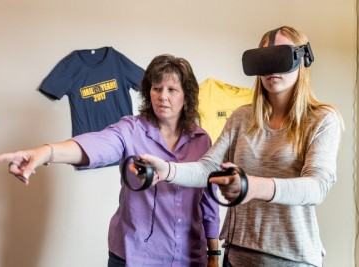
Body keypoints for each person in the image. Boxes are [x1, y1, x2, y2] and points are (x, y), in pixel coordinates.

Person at [136, 26, 345, 267]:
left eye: (280, 57)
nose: (271, 68)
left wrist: (253, 187)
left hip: (291, 257)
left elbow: (317, 187)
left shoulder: (322, 119)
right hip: (237, 256)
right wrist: (167, 171)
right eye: (264, 59)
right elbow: (208, 169)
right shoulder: (241, 118)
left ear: (303, 58)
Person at [0, 54, 221, 267]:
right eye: (156, 88)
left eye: (172, 89)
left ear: (186, 96)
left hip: (188, 258)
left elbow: (208, 202)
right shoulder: (131, 129)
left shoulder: (201, 140)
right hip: (133, 256)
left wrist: (213, 255)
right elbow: (96, 144)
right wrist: (45, 153)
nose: (163, 97)